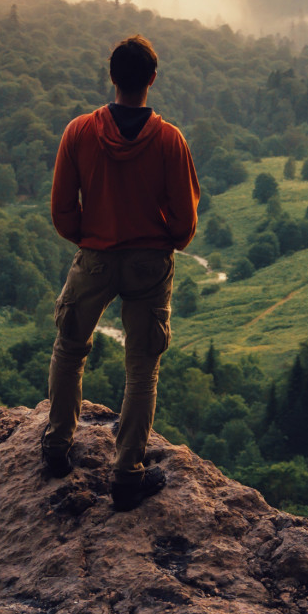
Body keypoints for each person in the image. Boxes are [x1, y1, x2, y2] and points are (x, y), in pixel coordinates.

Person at [44, 34, 201, 508]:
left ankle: (55, 449)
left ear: (112, 77)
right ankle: (127, 474)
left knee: (70, 349)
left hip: (94, 257)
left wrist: (89, 237)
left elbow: (61, 209)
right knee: (142, 368)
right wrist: (163, 241)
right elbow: (185, 221)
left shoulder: (79, 132)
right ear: (152, 79)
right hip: (149, 261)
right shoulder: (170, 139)